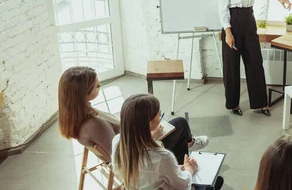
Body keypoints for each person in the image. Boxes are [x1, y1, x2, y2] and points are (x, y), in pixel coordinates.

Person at [111, 94, 232, 190]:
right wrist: (189, 169)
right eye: (158, 115)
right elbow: (184, 184)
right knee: (208, 177)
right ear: (148, 124)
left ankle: (192, 154)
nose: (160, 117)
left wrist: (175, 166)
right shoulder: (161, 157)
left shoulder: (118, 142)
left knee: (180, 140)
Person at [58, 66, 208, 164]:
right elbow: (123, 159)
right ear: (83, 93)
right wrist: (151, 137)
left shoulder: (76, 116)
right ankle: (187, 155)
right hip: (140, 158)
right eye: (97, 86)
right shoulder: (95, 124)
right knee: (180, 124)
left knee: (177, 133)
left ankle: (185, 159)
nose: (100, 86)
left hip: (134, 140)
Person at [217, 0, 292, 117]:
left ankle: (261, 103)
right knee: (231, 67)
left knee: (255, 64)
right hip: (232, 22)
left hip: (249, 22)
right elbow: (222, 8)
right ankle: (233, 104)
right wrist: (228, 32)